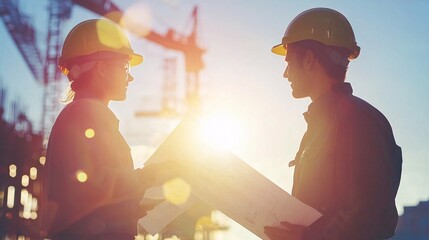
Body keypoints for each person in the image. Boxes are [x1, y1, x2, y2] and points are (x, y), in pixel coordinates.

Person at [264, 8, 402, 240]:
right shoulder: (325, 125)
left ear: (308, 59)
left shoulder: (357, 121)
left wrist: (307, 237)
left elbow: (373, 215)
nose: (285, 74)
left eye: (288, 62)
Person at [41, 19, 165, 239]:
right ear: (102, 68)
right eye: (125, 67)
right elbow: (89, 184)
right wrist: (149, 177)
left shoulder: (86, 114)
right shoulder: (85, 113)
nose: (131, 77)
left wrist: (140, 205)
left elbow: (95, 202)